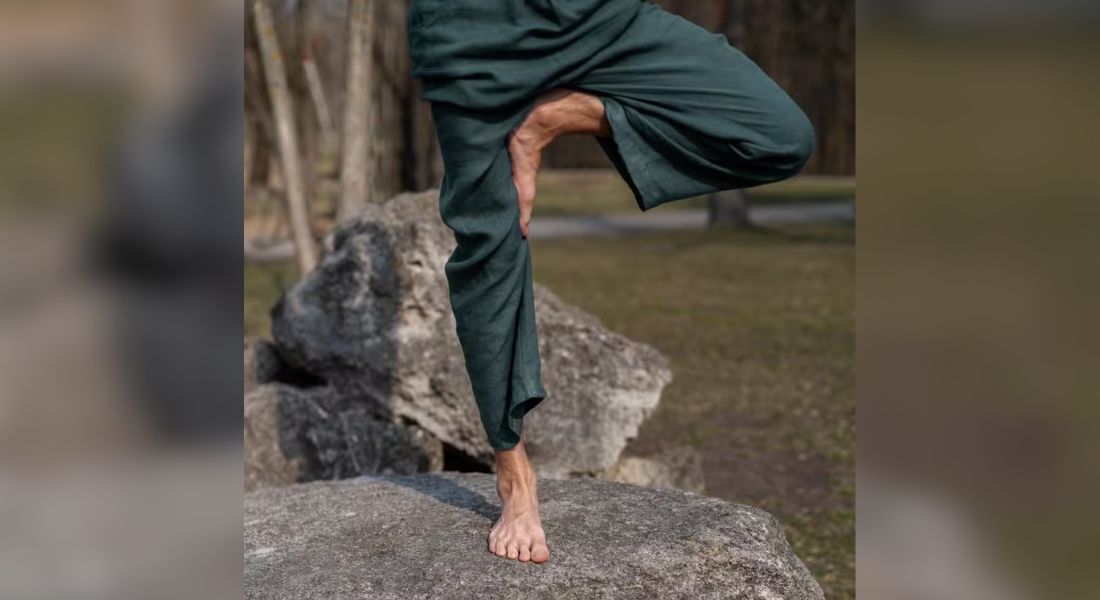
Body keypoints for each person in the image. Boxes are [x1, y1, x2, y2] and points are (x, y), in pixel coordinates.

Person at [407, 0, 814, 564]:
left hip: (591, 15)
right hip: (474, 31)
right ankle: (514, 477)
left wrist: (583, 112)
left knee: (780, 133)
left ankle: (557, 115)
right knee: (490, 251)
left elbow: (777, 139)